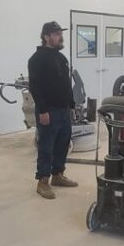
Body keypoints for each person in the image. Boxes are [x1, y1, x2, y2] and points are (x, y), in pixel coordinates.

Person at [28, 21, 78, 200]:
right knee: (46, 147)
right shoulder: (37, 59)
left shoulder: (61, 58)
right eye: (56, 34)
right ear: (46, 37)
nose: (60, 36)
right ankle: (43, 181)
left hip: (63, 110)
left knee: (62, 145)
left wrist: (71, 106)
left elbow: (67, 85)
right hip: (48, 111)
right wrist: (42, 111)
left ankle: (58, 175)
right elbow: (35, 87)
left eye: (60, 33)